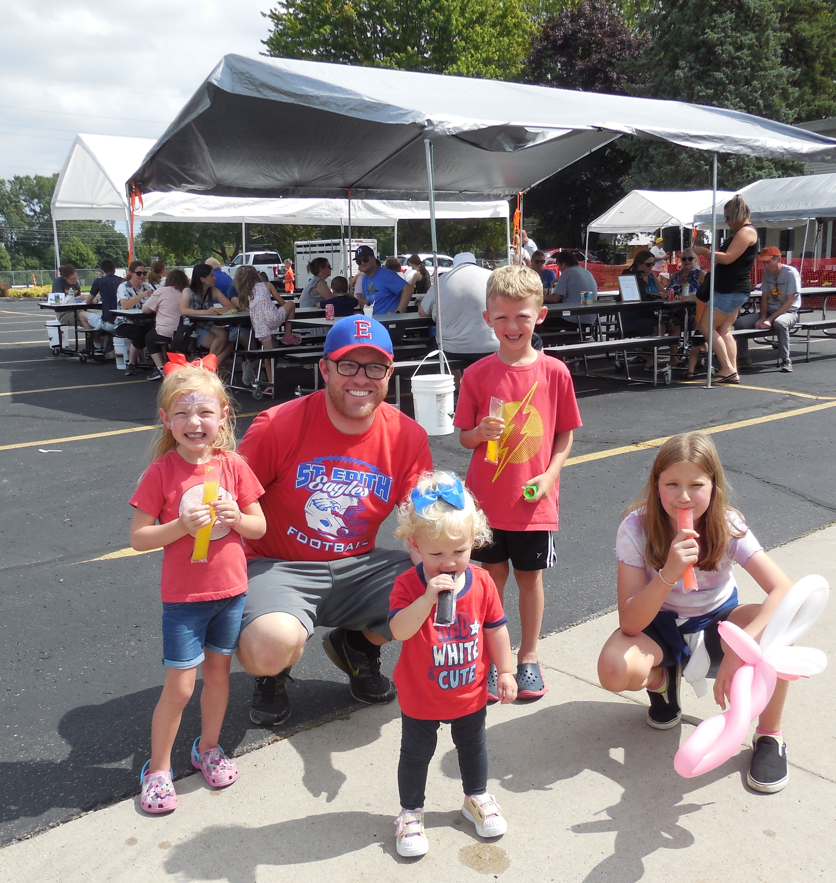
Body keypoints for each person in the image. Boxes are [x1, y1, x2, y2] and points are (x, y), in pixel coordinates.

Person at [236, 316, 433, 726]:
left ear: (389, 373)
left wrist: (440, 587)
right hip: (277, 565)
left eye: (374, 367)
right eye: (348, 365)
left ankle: (356, 646)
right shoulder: (277, 426)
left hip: (357, 566)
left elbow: (420, 525)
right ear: (324, 368)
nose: (361, 378)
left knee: (438, 589)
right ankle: (272, 672)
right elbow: (232, 505)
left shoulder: (408, 436)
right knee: (270, 644)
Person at [596, 432, 795, 793]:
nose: (683, 496)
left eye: (696, 485)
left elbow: (783, 589)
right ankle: (663, 683)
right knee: (613, 668)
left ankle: (769, 735)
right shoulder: (636, 528)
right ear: (656, 484)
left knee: (777, 634)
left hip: (718, 621)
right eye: (672, 483)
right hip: (658, 623)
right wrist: (668, 572)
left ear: (714, 486)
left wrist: (741, 648)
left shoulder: (728, 525)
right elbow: (630, 621)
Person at [129, 364, 267, 813]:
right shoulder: (162, 472)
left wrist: (236, 519)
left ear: (224, 416)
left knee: (219, 678)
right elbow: (139, 537)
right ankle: (159, 769)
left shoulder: (234, 466)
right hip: (185, 602)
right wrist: (179, 526)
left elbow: (258, 526)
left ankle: (207, 747)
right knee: (181, 688)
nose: (195, 422)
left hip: (229, 593)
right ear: (167, 420)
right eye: (182, 413)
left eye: (205, 411)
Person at [454, 265, 582, 699]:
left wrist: (549, 475)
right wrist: (480, 435)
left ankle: (528, 655)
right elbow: (464, 436)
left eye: (522, 317)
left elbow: (565, 433)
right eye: (502, 317)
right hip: (486, 503)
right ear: (488, 318)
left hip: (532, 503)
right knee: (491, 580)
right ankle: (495, 657)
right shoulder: (475, 375)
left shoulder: (554, 372)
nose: (512, 326)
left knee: (529, 579)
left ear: (540, 316)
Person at [389, 471, 517, 857]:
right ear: (415, 546)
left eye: (459, 551)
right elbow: (399, 630)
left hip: (470, 692)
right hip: (421, 695)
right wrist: (427, 598)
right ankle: (410, 812)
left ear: (473, 542)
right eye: (436, 554)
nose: (448, 563)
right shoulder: (409, 586)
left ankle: (475, 796)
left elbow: (496, 629)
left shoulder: (481, 581)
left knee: (473, 747)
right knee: (415, 755)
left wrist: (506, 671)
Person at [692, 195, 758, 383]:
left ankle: (727, 368)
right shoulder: (744, 233)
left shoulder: (746, 232)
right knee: (723, 330)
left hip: (730, 289)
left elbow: (728, 258)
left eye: (727, 217)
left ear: (737, 214)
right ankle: (732, 369)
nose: (726, 221)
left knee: (706, 327)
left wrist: (705, 252)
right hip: (733, 289)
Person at [418, 252, 498, 369]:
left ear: (454, 265)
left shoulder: (442, 280)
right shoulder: (493, 277)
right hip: (492, 347)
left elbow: (423, 312)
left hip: (450, 349)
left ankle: (455, 383)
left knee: (430, 346)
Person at [235, 264, 301, 393]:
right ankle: (288, 335)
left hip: (259, 324)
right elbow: (282, 302)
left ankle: (271, 383)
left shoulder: (245, 293)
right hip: (272, 317)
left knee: (267, 353)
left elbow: (245, 308)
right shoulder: (267, 285)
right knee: (291, 304)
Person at [735, 246, 800, 373]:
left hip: (789, 312)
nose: (765, 266)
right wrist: (763, 316)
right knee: (739, 323)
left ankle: (785, 359)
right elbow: (764, 297)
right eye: (763, 262)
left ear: (778, 260)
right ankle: (743, 358)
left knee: (780, 323)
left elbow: (790, 301)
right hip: (770, 311)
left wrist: (770, 319)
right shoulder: (767, 274)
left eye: (768, 262)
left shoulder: (791, 273)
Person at [180, 264, 237, 373]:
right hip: (193, 327)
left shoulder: (213, 290)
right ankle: (208, 370)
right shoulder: (188, 291)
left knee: (228, 340)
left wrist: (218, 311)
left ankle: (208, 369)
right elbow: (183, 310)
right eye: (211, 275)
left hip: (207, 324)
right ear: (202, 279)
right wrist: (205, 312)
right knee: (226, 341)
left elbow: (230, 306)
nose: (214, 278)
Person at [620, 250, 666, 368]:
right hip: (633, 316)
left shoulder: (651, 276)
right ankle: (650, 358)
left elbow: (664, 292)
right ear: (639, 264)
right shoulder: (630, 277)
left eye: (653, 264)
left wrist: (661, 295)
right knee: (659, 326)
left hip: (649, 313)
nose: (651, 267)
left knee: (671, 324)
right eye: (648, 264)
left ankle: (647, 355)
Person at [141, 269, 190, 379]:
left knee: (149, 338)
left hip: (166, 330)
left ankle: (160, 368)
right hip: (184, 330)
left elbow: (145, 309)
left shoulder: (162, 291)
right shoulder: (187, 292)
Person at [665, 249, 705, 373]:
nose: (686, 261)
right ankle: (671, 358)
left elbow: (705, 295)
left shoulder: (700, 274)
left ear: (696, 260)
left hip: (693, 311)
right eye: (684, 259)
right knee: (665, 321)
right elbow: (668, 291)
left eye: (690, 258)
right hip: (674, 309)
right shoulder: (675, 275)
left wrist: (689, 298)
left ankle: (700, 355)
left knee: (674, 322)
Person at [117, 261, 154, 376]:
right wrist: (141, 296)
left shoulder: (147, 286)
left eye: (144, 273)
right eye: (139, 273)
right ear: (131, 273)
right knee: (138, 334)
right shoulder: (123, 287)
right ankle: (131, 363)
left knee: (157, 333)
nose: (142, 276)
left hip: (145, 319)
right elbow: (125, 305)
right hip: (125, 321)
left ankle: (159, 363)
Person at [545, 250, 598, 332]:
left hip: (573, 318)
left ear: (564, 264)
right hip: (590, 318)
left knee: (542, 319)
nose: (559, 269)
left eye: (559, 266)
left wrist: (540, 297)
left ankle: (544, 342)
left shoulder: (567, 273)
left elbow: (555, 298)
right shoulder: (586, 272)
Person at [355, 245, 414, 315]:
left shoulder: (387, 275)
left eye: (365, 259)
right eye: (359, 261)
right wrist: (363, 303)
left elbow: (408, 289)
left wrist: (398, 312)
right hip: (376, 322)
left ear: (373, 259)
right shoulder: (364, 279)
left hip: (390, 323)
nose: (362, 263)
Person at [86, 258, 125, 352]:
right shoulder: (122, 282)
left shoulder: (99, 281)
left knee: (82, 315)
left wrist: (95, 300)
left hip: (108, 321)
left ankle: (96, 343)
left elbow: (88, 301)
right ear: (114, 270)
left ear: (102, 271)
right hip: (122, 321)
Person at [52, 264, 90, 329]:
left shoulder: (75, 284)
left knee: (92, 318)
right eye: (72, 279)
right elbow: (58, 299)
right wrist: (74, 298)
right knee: (86, 318)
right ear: (65, 278)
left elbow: (79, 299)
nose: (74, 280)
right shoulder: (58, 282)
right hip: (64, 313)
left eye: (76, 278)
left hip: (77, 310)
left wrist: (82, 298)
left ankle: (94, 337)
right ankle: (94, 337)